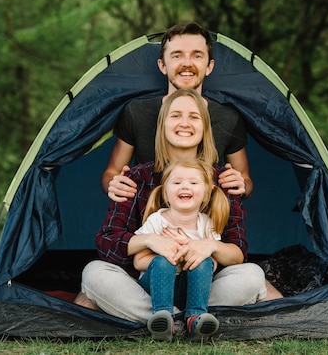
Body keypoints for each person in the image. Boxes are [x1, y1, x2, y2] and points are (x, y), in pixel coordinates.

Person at [76, 89, 269, 330]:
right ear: (162, 125)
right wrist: (151, 241)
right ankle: (177, 320)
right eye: (175, 116)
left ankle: (178, 319)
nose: (185, 123)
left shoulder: (223, 181)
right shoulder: (137, 177)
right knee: (94, 273)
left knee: (252, 276)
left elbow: (238, 252)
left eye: (194, 117)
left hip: (205, 289)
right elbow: (107, 243)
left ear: (205, 128)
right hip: (145, 288)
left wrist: (209, 246)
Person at [103, 22, 253, 203]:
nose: (187, 63)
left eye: (197, 56)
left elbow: (244, 178)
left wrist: (241, 185)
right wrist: (114, 184)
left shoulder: (228, 117)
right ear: (162, 65)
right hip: (147, 219)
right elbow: (112, 172)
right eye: (177, 56)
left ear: (209, 66)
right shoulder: (136, 112)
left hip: (203, 221)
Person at [135, 158, 229, 341]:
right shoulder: (157, 220)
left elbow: (214, 262)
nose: (185, 187)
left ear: (206, 193)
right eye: (177, 182)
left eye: (193, 182)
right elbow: (138, 261)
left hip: (189, 288)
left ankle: (195, 318)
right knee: (163, 261)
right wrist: (171, 257)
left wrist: (188, 253)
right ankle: (163, 318)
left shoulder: (206, 224)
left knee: (204, 261)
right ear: (165, 192)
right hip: (156, 285)